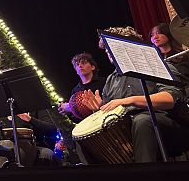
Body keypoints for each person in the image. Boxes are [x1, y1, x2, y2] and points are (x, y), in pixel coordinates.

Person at [77, 26, 189, 163]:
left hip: (166, 124)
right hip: (128, 127)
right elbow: (110, 112)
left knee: (142, 121)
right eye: (106, 48)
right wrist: (99, 108)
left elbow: (170, 99)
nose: (108, 51)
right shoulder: (111, 80)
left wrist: (128, 100)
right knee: (83, 137)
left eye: (111, 46)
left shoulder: (156, 66)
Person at [58, 52, 105, 119]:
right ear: (76, 71)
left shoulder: (104, 81)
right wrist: (70, 112)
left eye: (83, 63)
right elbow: (78, 119)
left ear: (92, 67)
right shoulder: (75, 91)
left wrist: (71, 107)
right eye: (77, 64)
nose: (80, 66)